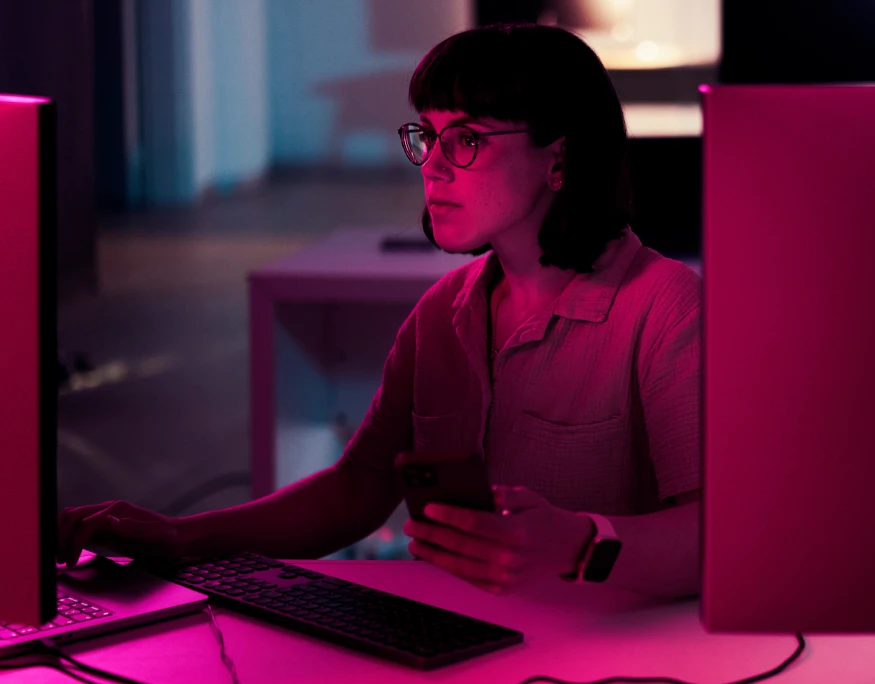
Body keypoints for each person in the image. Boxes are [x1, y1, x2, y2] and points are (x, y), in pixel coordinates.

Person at [56, 24, 702, 599]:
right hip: (468, 645)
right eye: (428, 136)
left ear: (558, 159)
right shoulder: (446, 310)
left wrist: (581, 544)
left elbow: (720, 535)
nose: (434, 168)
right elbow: (360, 488)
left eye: (468, 139)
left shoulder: (663, 307)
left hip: (616, 667)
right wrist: (179, 536)